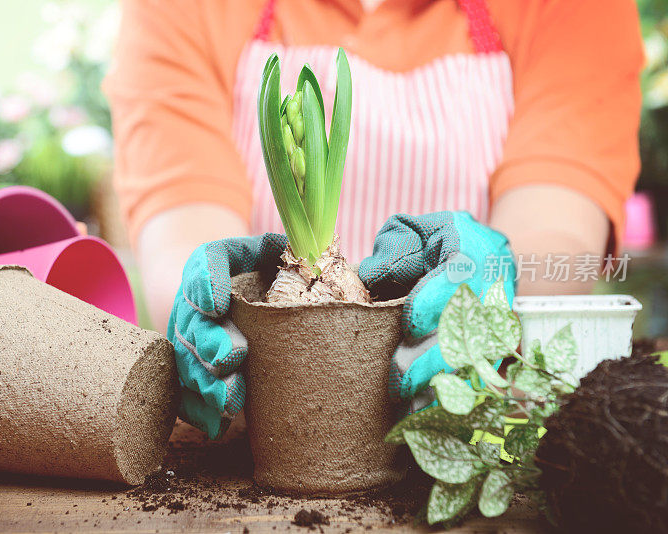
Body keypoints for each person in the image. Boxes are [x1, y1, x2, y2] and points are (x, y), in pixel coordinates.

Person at [103, 0, 643, 438]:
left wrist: (504, 280)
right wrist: (207, 298)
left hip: (475, 418)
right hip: (274, 420)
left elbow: (560, 236)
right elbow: (183, 232)